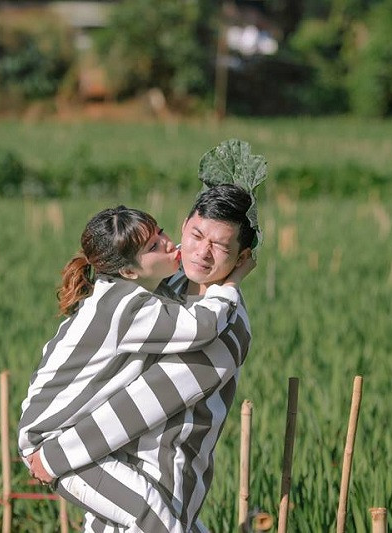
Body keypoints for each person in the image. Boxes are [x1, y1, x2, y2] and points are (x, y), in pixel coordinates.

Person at [26, 183, 260, 532]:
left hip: (159, 479)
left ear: (242, 258)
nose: (201, 253)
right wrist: (53, 454)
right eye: (196, 236)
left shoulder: (227, 332)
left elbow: (139, 404)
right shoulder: (160, 285)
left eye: (221, 246)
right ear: (184, 225)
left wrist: (55, 456)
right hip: (88, 453)